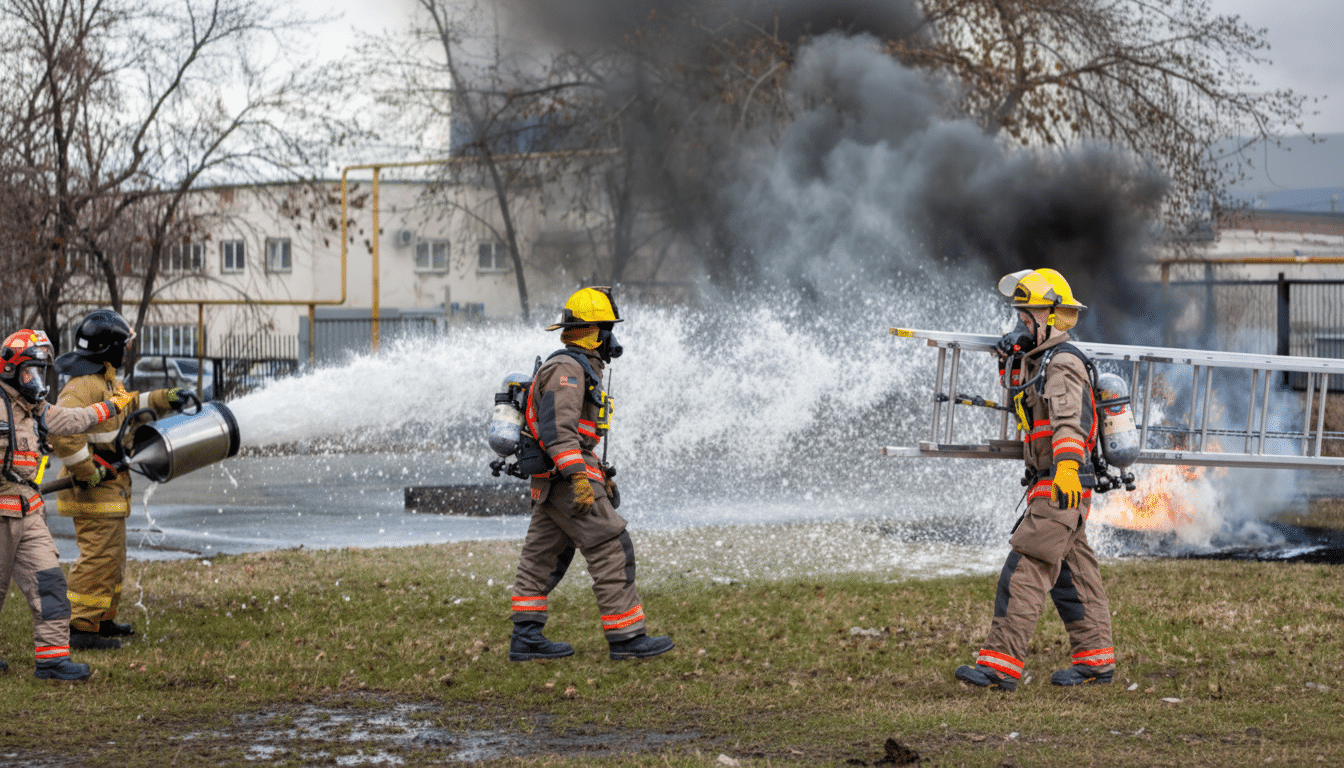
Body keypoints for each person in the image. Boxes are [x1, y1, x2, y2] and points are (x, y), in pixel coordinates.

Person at [954, 268, 1116, 691]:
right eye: (1020, 317)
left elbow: (1069, 422)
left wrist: (1063, 467)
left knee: (1025, 568)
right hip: (1060, 485)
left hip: (1061, 483)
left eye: (1027, 318)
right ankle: (1096, 661)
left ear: (1050, 317)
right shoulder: (1043, 361)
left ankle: (999, 664)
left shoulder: (1063, 363)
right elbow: (1021, 398)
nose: (1020, 324)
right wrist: (1011, 355)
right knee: (1073, 578)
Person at [507, 286, 674, 662]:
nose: (612, 338)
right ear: (593, 332)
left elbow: (575, 433)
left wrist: (600, 472)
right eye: (607, 329)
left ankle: (526, 638)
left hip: (555, 480)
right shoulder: (567, 370)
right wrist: (581, 479)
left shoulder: (575, 367)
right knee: (612, 546)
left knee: (541, 558)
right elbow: (558, 431)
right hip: (568, 480)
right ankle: (627, 637)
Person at [0, 329, 136, 680]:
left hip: (27, 510)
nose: (36, 379)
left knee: (51, 584)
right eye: (30, 371)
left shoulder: (36, 407)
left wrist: (111, 406)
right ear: (12, 369)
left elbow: (71, 421)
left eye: (40, 371)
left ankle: (52, 661)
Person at [49, 310, 186, 651]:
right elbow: (63, 433)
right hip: (92, 491)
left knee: (112, 558)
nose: (125, 351)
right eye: (122, 345)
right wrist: (86, 471)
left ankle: (102, 619)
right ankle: (81, 627)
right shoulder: (82, 387)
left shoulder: (107, 382)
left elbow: (129, 404)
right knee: (97, 558)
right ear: (107, 348)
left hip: (110, 490)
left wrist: (162, 398)